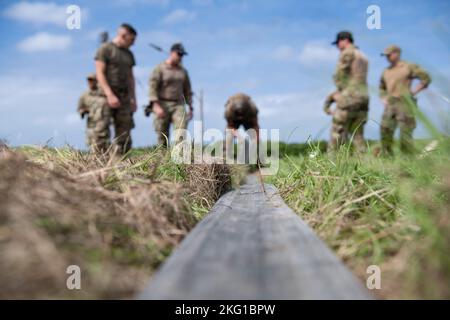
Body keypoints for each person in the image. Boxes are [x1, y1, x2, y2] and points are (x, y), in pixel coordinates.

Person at [379, 45, 431, 156]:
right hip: (390, 104)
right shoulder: (386, 71)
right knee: (385, 130)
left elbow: (426, 78)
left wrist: (414, 91)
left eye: (389, 55)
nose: (387, 57)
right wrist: (383, 97)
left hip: (405, 103)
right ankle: (387, 157)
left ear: (397, 53)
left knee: (405, 132)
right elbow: (381, 87)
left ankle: (408, 159)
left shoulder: (408, 66)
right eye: (385, 56)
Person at [93, 23, 137, 154]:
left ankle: (120, 163)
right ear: (123, 35)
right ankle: (99, 165)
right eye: (131, 40)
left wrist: (133, 98)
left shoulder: (129, 54)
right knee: (101, 132)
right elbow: (99, 73)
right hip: (105, 96)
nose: (133, 43)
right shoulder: (105, 49)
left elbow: (130, 77)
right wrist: (109, 94)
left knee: (125, 132)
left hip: (124, 97)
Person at [327, 31, 369, 153]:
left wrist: (338, 92)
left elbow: (340, 76)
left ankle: (332, 163)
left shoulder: (347, 53)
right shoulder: (362, 55)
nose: (337, 46)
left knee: (337, 131)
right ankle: (365, 164)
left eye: (338, 43)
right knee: (358, 134)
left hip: (349, 97)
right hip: (363, 97)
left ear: (344, 40)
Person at [148, 43, 193, 147]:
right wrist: (155, 105)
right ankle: (162, 158)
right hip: (162, 104)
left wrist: (190, 106)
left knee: (181, 132)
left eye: (182, 55)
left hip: (178, 104)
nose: (180, 57)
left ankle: (179, 158)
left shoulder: (183, 71)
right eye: (178, 54)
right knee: (162, 134)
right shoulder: (159, 69)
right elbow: (152, 87)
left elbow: (187, 89)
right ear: (171, 53)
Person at [224, 93, 260, 159]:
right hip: (234, 120)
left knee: (255, 138)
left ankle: (257, 157)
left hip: (248, 118)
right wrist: (240, 138)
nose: (240, 115)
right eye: (238, 113)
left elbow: (256, 127)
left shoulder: (252, 110)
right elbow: (230, 128)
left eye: (242, 113)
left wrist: (255, 142)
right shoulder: (229, 112)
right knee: (229, 135)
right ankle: (227, 157)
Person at [77, 73, 101, 149]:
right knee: (92, 145)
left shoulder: (103, 93)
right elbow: (79, 109)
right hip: (91, 124)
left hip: (104, 124)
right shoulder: (84, 96)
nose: (90, 82)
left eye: (92, 80)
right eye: (89, 80)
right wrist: (83, 111)